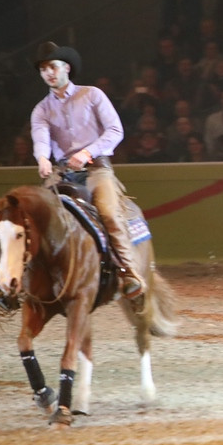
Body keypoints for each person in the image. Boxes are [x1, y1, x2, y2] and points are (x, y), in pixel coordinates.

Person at [28, 43, 144, 299]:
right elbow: (41, 139)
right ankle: (25, 278)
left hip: (96, 169)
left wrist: (87, 152)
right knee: (35, 218)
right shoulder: (41, 110)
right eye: (43, 69)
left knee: (109, 213)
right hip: (61, 172)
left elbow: (115, 130)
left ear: (66, 68)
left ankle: (128, 273)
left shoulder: (92, 95)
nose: (49, 73)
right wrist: (42, 159)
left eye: (53, 67)